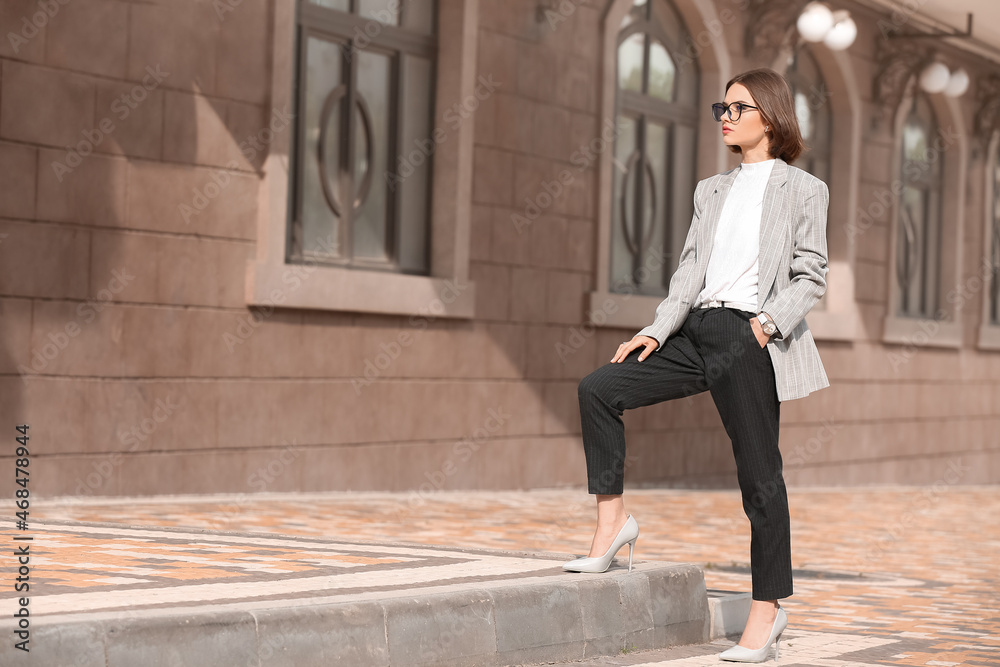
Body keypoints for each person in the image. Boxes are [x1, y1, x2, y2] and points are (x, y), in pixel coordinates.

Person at [562, 67, 831, 663]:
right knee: (600, 389)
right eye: (722, 108)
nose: (726, 117)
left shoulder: (804, 189)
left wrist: (766, 326)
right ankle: (614, 524)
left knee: (759, 477)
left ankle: (768, 611)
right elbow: (688, 270)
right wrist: (655, 330)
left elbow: (811, 273)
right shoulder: (711, 190)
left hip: (748, 335)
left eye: (738, 108)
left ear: (770, 115)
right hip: (694, 330)